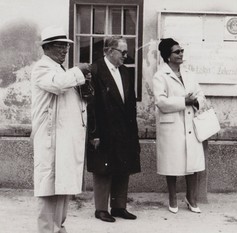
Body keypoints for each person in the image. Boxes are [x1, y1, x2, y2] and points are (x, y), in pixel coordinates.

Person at [31, 26, 91, 233]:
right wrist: (80, 71)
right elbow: (58, 85)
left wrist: (85, 89)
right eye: (60, 47)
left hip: (64, 138)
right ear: (47, 48)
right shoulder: (42, 68)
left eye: (66, 47)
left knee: (62, 186)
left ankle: (59, 228)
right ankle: (48, 230)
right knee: (48, 187)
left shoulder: (61, 69)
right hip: (50, 138)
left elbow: (70, 96)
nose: (65, 51)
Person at [86, 36, 141, 222]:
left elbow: (130, 103)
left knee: (123, 167)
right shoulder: (95, 71)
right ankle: (101, 209)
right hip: (103, 130)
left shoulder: (125, 72)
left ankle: (119, 207)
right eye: (122, 52)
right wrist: (94, 134)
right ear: (109, 51)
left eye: (127, 52)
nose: (126, 56)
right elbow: (90, 107)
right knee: (103, 169)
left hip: (124, 129)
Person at [152, 38, 206, 214]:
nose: (181, 54)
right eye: (177, 51)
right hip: (172, 125)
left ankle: (191, 198)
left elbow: (201, 95)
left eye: (182, 51)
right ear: (167, 56)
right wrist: (185, 101)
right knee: (172, 164)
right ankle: (173, 198)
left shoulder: (189, 74)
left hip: (190, 122)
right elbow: (161, 102)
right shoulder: (160, 76)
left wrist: (196, 101)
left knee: (193, 162)